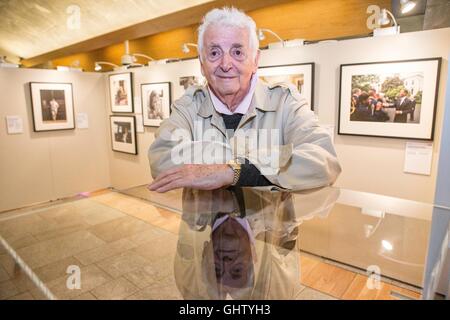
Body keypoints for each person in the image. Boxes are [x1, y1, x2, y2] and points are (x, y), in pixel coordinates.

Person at [148, 7, 341, 192]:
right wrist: (274, 159)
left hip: (269, 226)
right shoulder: (188, 107)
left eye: (237, 52)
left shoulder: (285, 103)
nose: (225, 64)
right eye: (214, 53)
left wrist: (232, 171)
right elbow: (162, 161)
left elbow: (324, 161)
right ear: (201, 64)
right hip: (206, 226)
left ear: (255, 60)